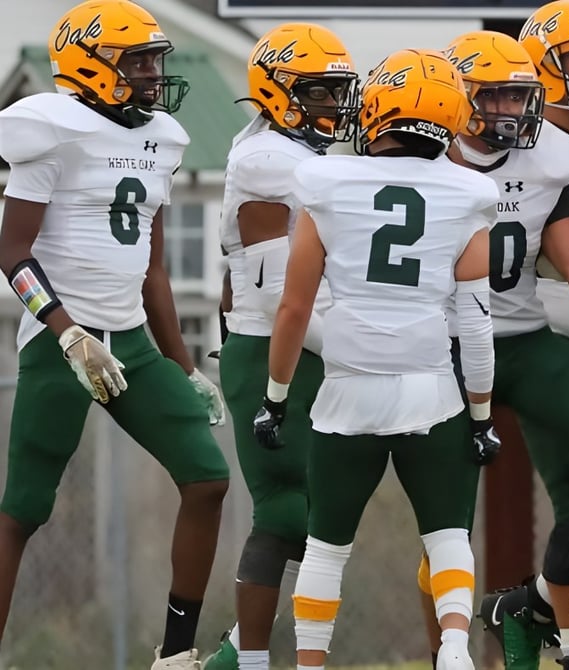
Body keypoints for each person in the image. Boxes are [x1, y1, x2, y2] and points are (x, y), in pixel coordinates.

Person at [251, 48, 501, 670]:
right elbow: (474, 318)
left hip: (346, 392)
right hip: (432, 391)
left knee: (326, 547)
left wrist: (275, 399)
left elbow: (294, 308)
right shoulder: (470, 190)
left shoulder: (326, 181)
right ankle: (452, 646)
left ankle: (310, 663)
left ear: (379, 111)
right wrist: (481, 414)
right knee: (447, 537)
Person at [0, 1, 231, 668]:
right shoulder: (53, 129)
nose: (154, 74)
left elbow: (153, 267)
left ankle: (176, 655)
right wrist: (69, 333)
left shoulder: (161, 136)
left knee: (208, 478)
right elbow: (13, 251)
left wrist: (183, 365)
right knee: (22, 511)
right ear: (91, 65)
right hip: (59, 343)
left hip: (130, 337)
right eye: (138, 61)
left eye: (155, 59)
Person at [440, 29, 569, 670]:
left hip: (520, 339)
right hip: (438, 346)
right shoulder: (424, 161)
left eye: (519, 97)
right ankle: (444, 651)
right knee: (442, 518)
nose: (511, 112)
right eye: (495, 98)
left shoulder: (546, 162)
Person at [201, 23, 361, 670]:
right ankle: (249, 660)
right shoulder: (266, 161)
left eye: (338, 91)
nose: (335, 105)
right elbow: (272, 294)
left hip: (306, 348)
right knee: (287, 511)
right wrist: (361, 347)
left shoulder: (302, 157)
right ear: (281, 94)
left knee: (323, 510)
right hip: (271, 347)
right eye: (322, 91)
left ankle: (237, 658)